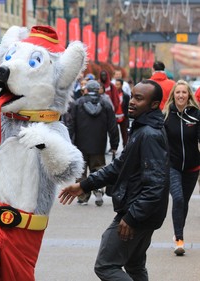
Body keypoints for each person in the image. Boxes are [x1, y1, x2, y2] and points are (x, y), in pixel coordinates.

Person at [59, 79, 170, 281]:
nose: (132, 102)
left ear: (153, 105)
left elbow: (156, 185)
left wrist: (131, 217)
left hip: (137, 213)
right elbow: (118, 167)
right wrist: (84, 185)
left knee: (106, 266)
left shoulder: (149, 134)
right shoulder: (143, 128)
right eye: (133, 96)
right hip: (142, 212)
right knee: (134, 265)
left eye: (139, 98)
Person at [162, 80, 200, 256]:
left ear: (189, 95)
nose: (181, 95)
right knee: (177, 198)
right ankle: (179, 238)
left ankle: (178, 232)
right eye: (178, 92)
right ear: (173, 95)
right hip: (173, 166)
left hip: (193, 167)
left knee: (183, 202)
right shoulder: (166, 115)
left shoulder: (196, 114)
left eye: (184, 92)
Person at [67, 80, 119, 206]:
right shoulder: (106, 104)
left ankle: (82, 196)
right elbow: (113, 126)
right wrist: (114, 144)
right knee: (98, 168)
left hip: (80, 144)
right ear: (98, 90)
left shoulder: (77, 104)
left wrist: (68, 141)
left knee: (81, 170)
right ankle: (98, 189)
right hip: (99, 144)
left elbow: (71, 124)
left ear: (86, 90)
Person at [114, 78, 131, 147]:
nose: (116, 86)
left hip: (123, 116)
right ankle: (114, 146)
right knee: (114, 133)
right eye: (116, 84)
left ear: (121, 85)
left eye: (118, 85)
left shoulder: (126, 96)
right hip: (114, 116)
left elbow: (127, 106)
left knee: (124, 133)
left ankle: (125, 145)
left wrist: (127, 115)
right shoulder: (113, 95)